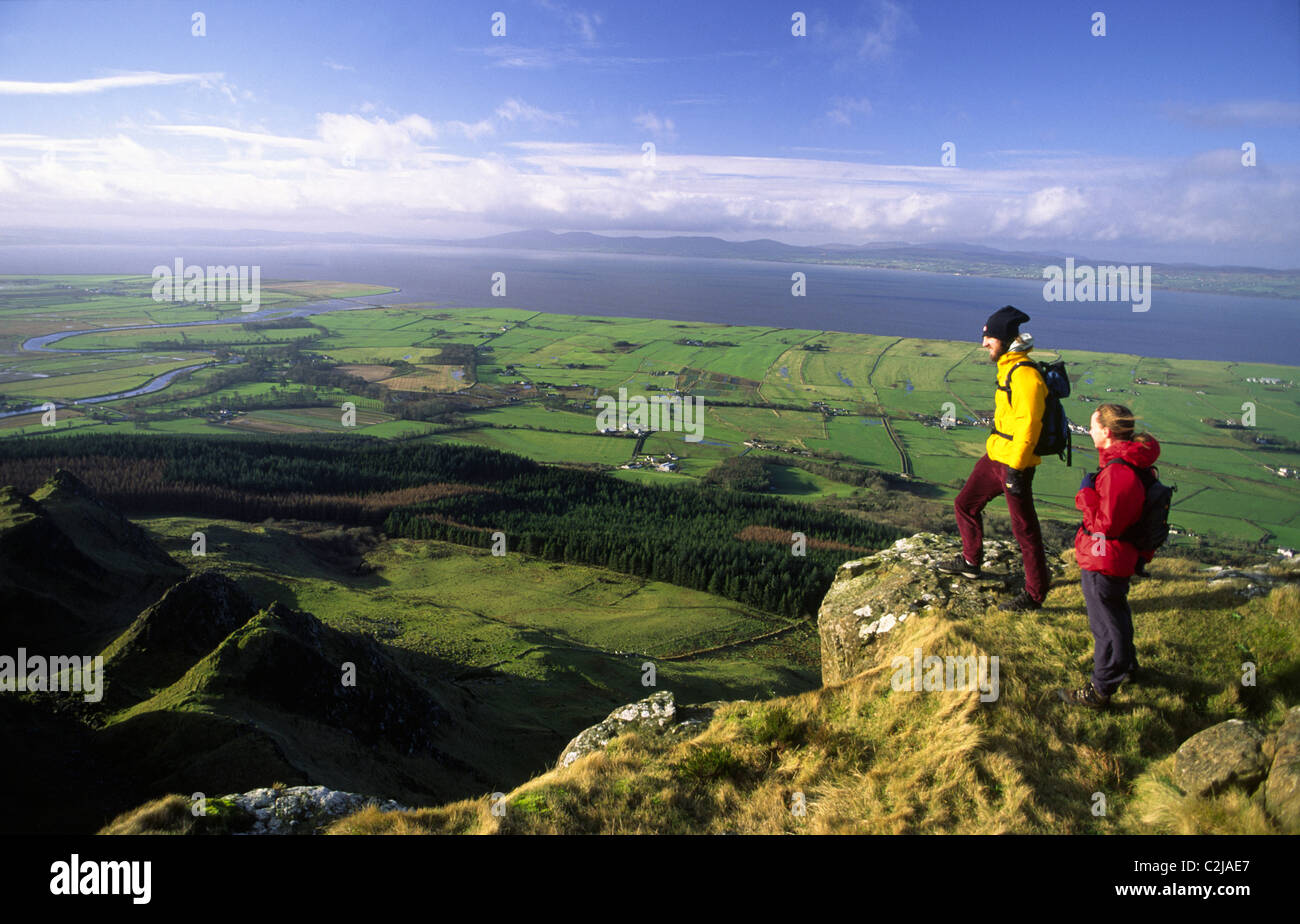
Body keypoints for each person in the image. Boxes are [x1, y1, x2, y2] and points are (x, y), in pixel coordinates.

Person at [938, 306, 1051, 612]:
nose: (984, 343)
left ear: (1003, 338)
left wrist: (1015, 467)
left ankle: (1035, 594)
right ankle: (971, 561)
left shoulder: (1025, 375)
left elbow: (1030, 425)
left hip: (1015, 463)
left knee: (1025, 530)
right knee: (965, 503)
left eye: (989, 337)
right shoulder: (1008, 367)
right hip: (996, 456)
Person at [1058, 404, 1160, 708]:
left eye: (1093, 426)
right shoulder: (1128, 463)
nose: (1089, 431)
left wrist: (1085, 494)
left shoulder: (1118, 471)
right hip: (1116, 556)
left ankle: (1099, 689)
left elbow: (1105, 526)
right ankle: (1127, 667)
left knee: (1104, 625)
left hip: (1105, 556)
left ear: (1107, 431)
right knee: (1116, 613)